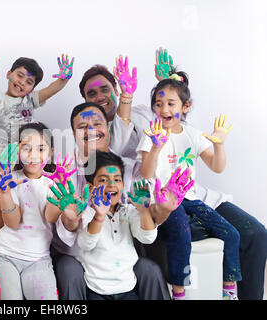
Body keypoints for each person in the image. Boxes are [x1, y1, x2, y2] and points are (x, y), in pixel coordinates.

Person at [49, 102, 171, 300]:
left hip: (118, 259)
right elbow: (67, 231)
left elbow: (148, 214)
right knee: (69, 270)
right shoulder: (64, 171)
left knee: (149, 268)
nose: (91, 130)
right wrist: (73, 218)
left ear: (108, 129)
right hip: (77, 256)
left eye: (98, 124)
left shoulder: (127, 168)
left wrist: (165, 208)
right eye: (82, 127)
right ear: (73, 135)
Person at [137, 71, 242, 299]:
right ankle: (179, 292)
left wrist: (220, 145)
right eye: (159, 104)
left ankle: (229, 291)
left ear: (185, 107)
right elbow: (144, 172)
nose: (164, 109)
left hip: (189, 198)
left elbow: (217, 166)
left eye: (171, 103)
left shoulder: (192, 134)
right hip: (163, 201)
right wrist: (155, 147)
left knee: (231, 234)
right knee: (181, 233)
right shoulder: (151, 135)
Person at [74, 151, 193, 300]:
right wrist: (99, 216)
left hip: (127, 289)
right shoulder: (87, 213)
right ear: (91, 188)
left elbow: (147, 237)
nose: (112, 184)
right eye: (103, 180)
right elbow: (86, 244)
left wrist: (143, 210)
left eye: (117, 180)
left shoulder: (128, 211)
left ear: (123, 185)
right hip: (96, 290)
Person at [0, 122, 59, 300]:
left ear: (50, 153)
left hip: (39, 258)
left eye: (41, 149)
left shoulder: (53, 185)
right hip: (6, 256)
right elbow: (12, 222)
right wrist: (4, 193)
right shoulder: (10, 179)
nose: (33, 155)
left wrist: (61, 195)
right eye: (26, 148)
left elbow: (50, 217)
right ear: (17, 152)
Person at [0, 53, 73, 151]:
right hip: (5, 156)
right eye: (20, 75)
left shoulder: (30, 99)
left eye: (29, 82)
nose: (22, 83)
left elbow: (50, 90)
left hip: (29, 153)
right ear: (9, 74)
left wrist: (63, 80)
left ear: (32, 89)